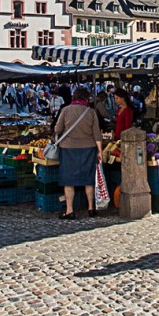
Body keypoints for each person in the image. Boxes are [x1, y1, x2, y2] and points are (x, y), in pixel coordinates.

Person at [54, 87, 104, 220]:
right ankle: (91, 208)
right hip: (89, 149)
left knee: (68, 181)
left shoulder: (65, 110)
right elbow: (97, 134)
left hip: (68, 149)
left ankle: (69, 210)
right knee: (88, 179)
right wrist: (100, 151)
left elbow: (58, 130)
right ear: (86, 98)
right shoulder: (91, 112)